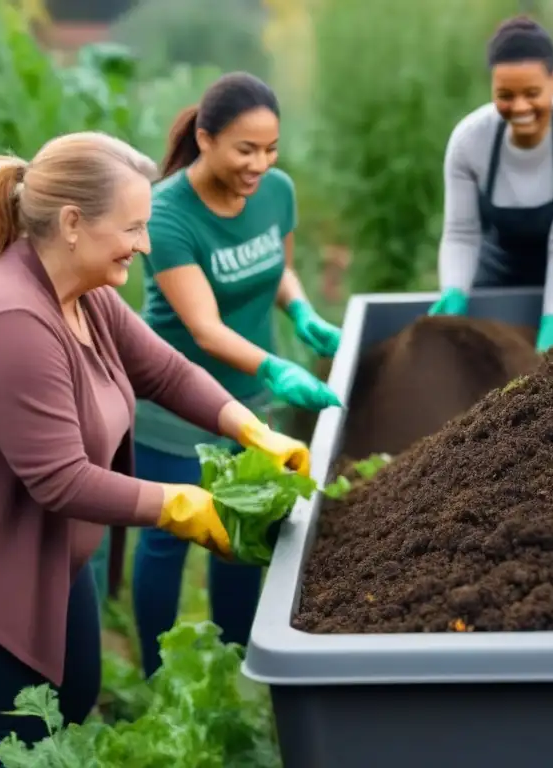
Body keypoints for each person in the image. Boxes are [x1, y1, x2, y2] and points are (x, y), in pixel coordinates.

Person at [0, 131, 315, 760]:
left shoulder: (88, 298)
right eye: (132, 228)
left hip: (56, 562)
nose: (146, 244)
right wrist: (181, 504)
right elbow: (61, 480)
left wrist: (249, 427)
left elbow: (165, 371)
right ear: (73, 223)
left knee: (73, 703)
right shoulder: (9, 320)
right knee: (8, 742)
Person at [130, 72, 341, 679]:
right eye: (245, 149)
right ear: (205, 139)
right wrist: (278, 366)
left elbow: (275, 266)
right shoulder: (166, 213)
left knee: (245, 525)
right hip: (175, 401)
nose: (260, 163)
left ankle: (238, 660)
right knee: (169, 536)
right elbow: (204, 328)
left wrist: (301, 312)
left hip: (249, 398)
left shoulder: (276, 192)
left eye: (270, 148)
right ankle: (155, 677)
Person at [427, 15, 553, 354]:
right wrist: (454, 293)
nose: (520, 107)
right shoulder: (469, 141)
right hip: (491, 276)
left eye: (532, 93)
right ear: (491, 89)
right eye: (505, 95)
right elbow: (461, 233)